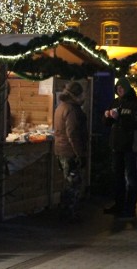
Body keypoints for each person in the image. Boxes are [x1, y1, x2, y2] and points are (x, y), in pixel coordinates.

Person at [102, 77, 137, 221]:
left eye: (122, 88)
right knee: (117, 176)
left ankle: (130, 208)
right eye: (118, 88)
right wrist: (107, 116)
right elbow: (107, 123)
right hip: (116, 145)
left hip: (129, 145)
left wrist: (119, 117)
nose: (119, 90)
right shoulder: (115, 102)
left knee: (131, 177)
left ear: (127, 88)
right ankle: (118, 204)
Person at [53, 81, 88, 222]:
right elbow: (72, 133)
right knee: (73, 184)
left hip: (61, 150)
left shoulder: (61, 107)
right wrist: (80, 154)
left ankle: (66, 211)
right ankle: (69, 213)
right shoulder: (72, 109)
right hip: (69, 152)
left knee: (68, 182)